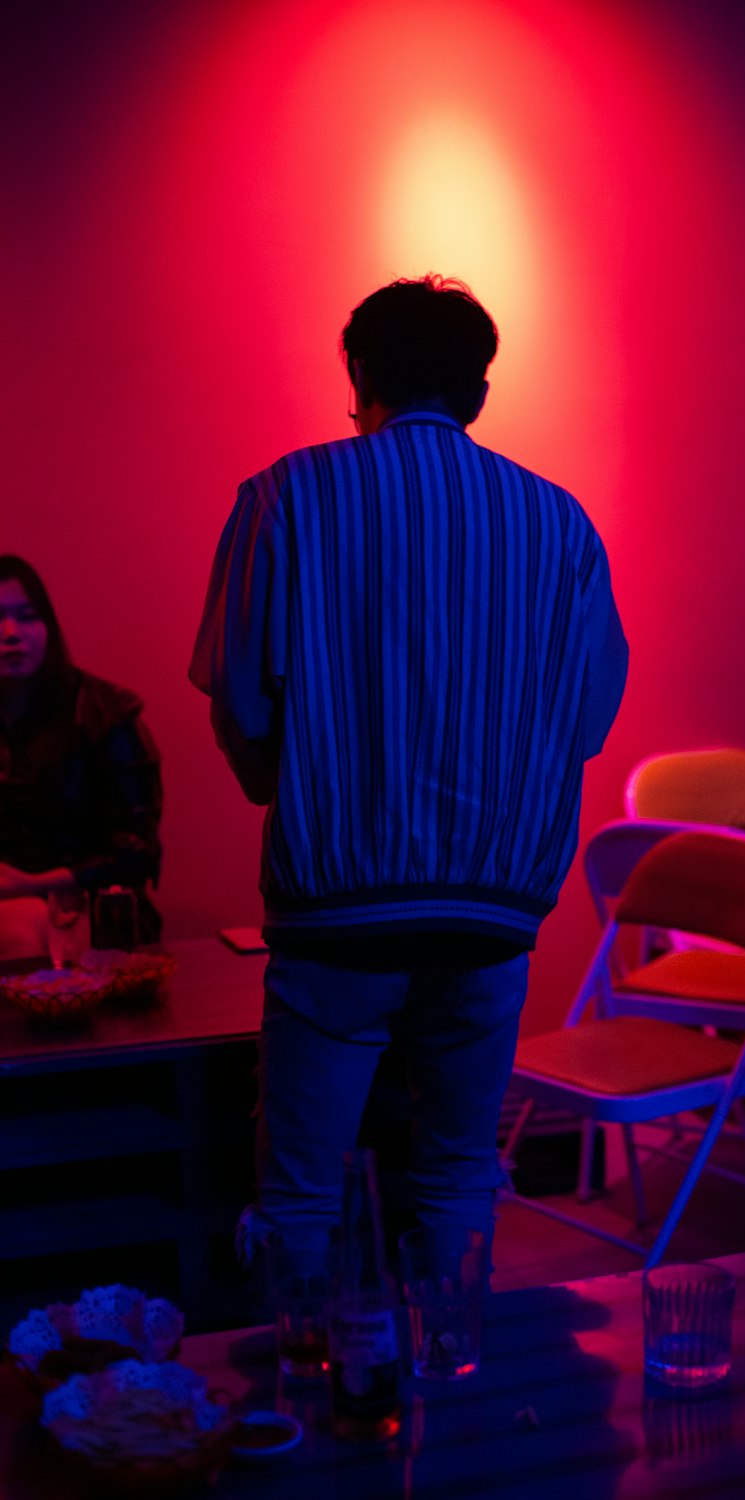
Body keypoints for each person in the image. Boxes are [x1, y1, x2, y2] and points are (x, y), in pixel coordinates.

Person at [189, 275, 628, 1273]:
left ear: (359, 378)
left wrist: (286, 789)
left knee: (301, 1188)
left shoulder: (284, 495)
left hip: (335, 909)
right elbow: (588, 715)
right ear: (477, 391)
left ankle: (306, 1397)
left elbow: (242, 702)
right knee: (460, 1172)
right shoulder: (560, 522)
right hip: (493, 912)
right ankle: (455, 1384)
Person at [0, 555, 163, 958]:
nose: (11, 633)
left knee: (23, 928)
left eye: (27, 616)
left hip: (97, 908)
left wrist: (30, 885)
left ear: (49, 627)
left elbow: (137, 851)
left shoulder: (105, 713)